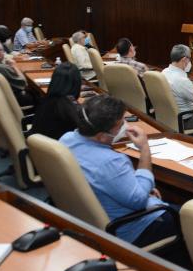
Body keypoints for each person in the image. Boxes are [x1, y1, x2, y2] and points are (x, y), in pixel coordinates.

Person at [59, 95, 179, 246]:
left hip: (87, 220)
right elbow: (140, 201)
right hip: (128, 228)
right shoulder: (111, 161)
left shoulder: (66, 139)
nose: (126, 126)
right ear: (102, 136)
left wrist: (142, 187)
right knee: (190, 216)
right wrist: (144, 149)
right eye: (121, 123)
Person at [30, 63, 82, 140]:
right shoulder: (70, 109)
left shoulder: (45, 100)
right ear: (77, 83)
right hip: (59, 148)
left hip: (39, 148)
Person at [0, 39, 35, 107]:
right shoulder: (2, 68)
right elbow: (24, 83)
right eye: (2, 50)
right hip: (15, 100)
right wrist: (14, 66)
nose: (4, 53)